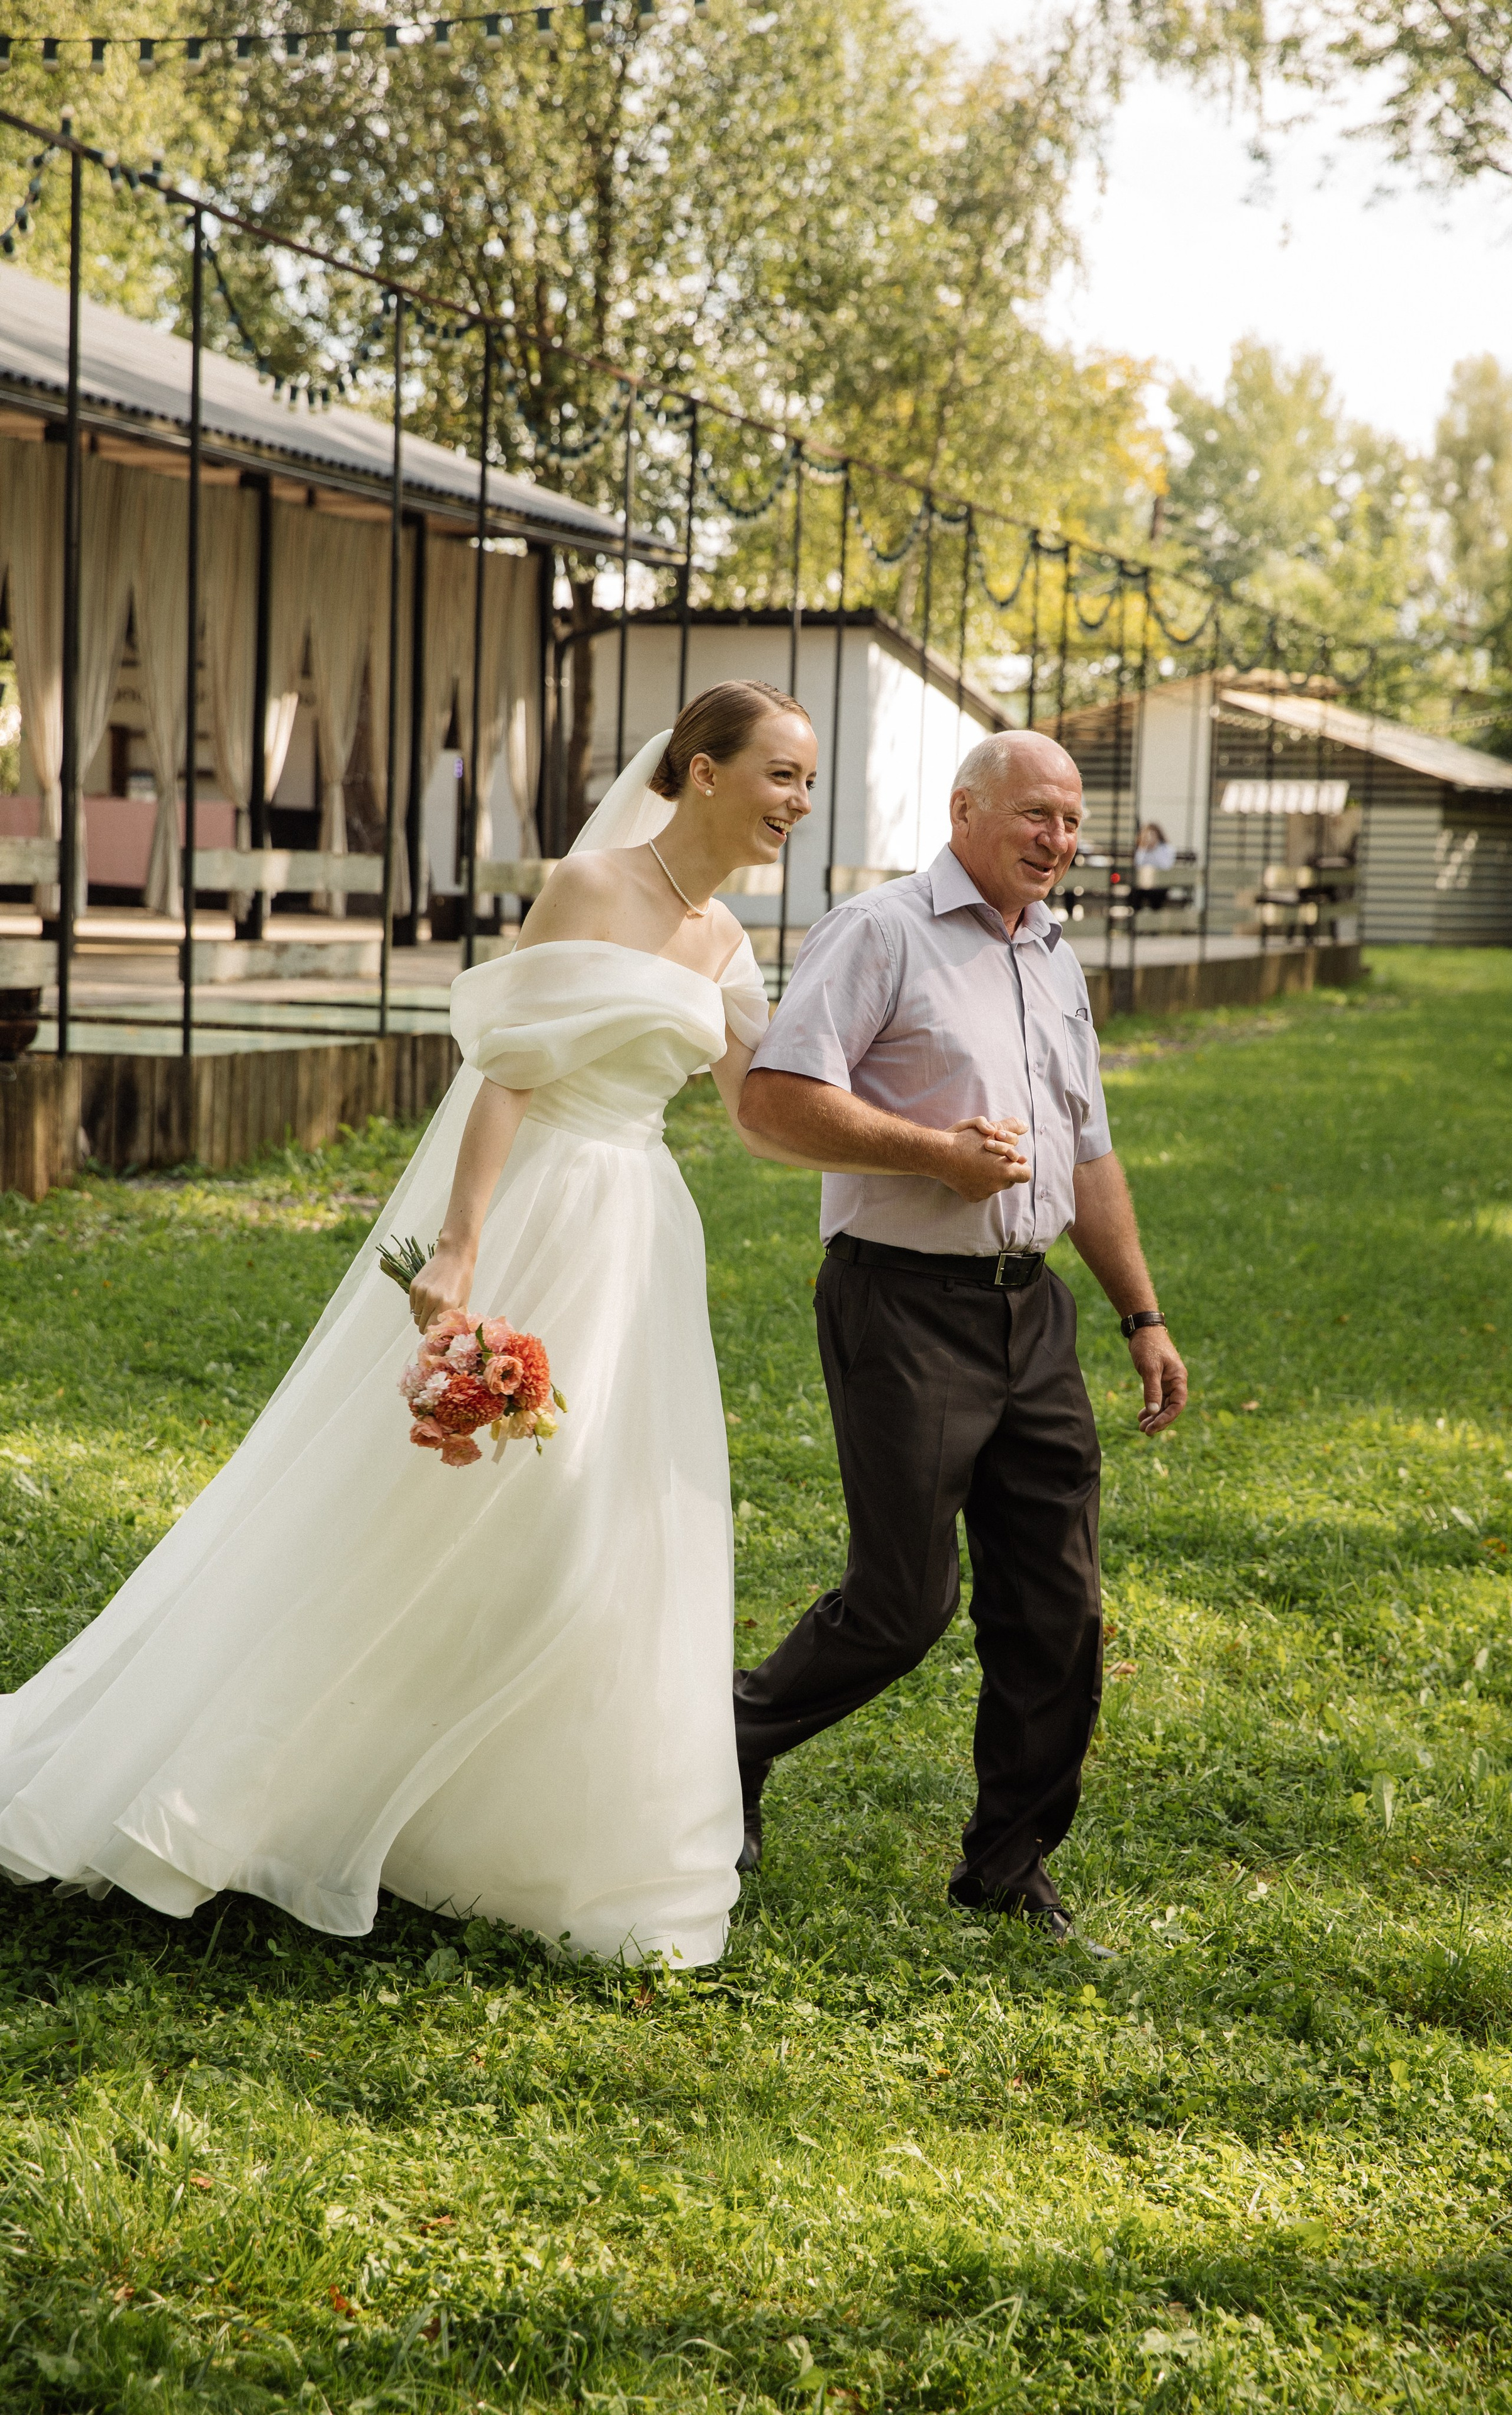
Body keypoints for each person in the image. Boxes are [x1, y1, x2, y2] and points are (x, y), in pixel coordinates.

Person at [0, 682, 1026, 1968]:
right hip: (544, 1205)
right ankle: (245, 1785)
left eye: (807, 781)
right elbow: (506, 1069)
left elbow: (766, 1108)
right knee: (436, 1505)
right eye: (777, 774)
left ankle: (517, 1826)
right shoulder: (594, 885)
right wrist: (466, 1244)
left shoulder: (725, 939)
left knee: (599, 1516)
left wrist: (935, 1148)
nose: (797, 803)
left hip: (640, 1233)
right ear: (698, 771)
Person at [734, 728, 1189, 1948]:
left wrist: (1137, 1314)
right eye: (1034, 815)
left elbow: (1085, 1153)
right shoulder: (880, 932)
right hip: (899, 1300)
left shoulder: (1053, 954)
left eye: (1072, 821)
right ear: (964, 812)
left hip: (1027, 1311)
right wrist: (936, 1152)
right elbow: (775, 1095)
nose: (1058, 840)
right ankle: (727, 1746)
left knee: (1055, 1600)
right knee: (902, 1601)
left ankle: (1007, 1861)